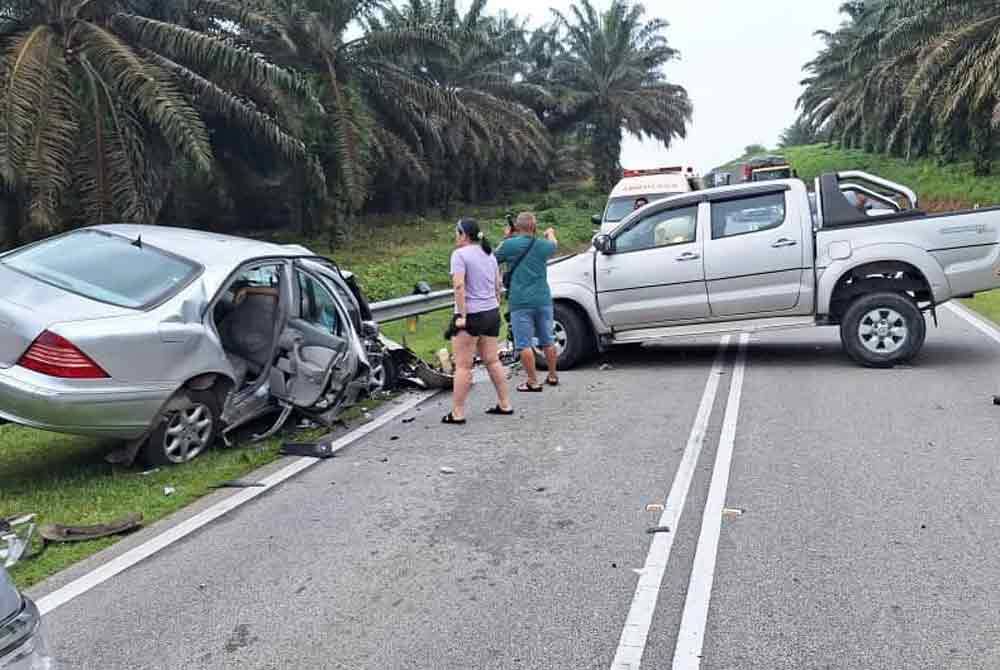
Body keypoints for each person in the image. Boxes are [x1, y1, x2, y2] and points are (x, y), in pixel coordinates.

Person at [443, 218, 513, 425]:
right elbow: (498, 284)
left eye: (457, 232)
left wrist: (462, 315)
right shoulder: (489, 254)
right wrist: (496, 304)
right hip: (491, 311)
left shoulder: (459, 255)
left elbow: (459, 286)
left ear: (464, 234)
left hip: (471, 314)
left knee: (464, 366)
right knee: (492, 360)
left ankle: (457, 412)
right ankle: (505, 403)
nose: (455, 236)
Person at [495, 212, 559, 391]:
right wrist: (550, 232)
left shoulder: (509, 245)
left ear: (517, 226)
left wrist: (506, 238)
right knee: (548, 339)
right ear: (534, 226)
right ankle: (552, 375)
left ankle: (533, 381)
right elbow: (554, 245)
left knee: (523, 343)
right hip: (543, 299)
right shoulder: (543, 245)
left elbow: (493, 257)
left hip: (520, 301)